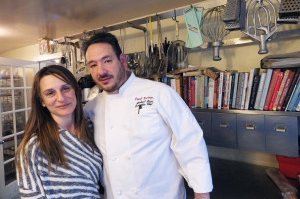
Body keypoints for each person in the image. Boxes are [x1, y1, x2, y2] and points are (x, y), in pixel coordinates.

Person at [83, 32, 213, 199]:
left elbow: (190, 143)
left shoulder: (159, 93)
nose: (101, 71)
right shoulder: (92, 107)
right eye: (93, 65)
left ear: (122, 60)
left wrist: (201, 193)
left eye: (107, 61)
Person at [15, 65, 103, 198]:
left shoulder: (93, 129)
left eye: (66, 88)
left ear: (76, 91)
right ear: (42, 101)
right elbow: (31, 195)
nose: (61, 98)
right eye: (50, 93)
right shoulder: (33, 146)